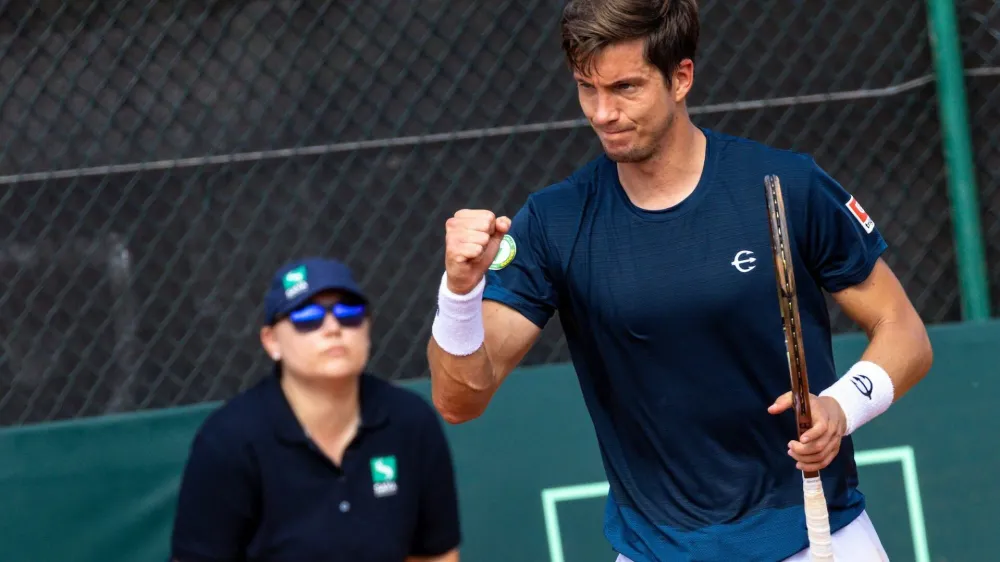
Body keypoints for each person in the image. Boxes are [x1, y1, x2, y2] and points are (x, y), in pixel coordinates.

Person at [426, 0, 933, 560]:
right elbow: (458, 401)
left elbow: (904, 333)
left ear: (681, 78)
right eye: (586, 88)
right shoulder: (554, 222)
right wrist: (459, 293)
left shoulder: (787, 184)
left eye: (625, 88)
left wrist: (841, 406)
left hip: (817, 534)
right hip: (656, 549)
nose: (602, 112)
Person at [171, 257, 461, 562]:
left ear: (367, 327)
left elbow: (435, 555)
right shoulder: (229, 440)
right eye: (307, 316)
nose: (333, 327)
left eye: (349, 313)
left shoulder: (410, 421)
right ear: (271, 341)